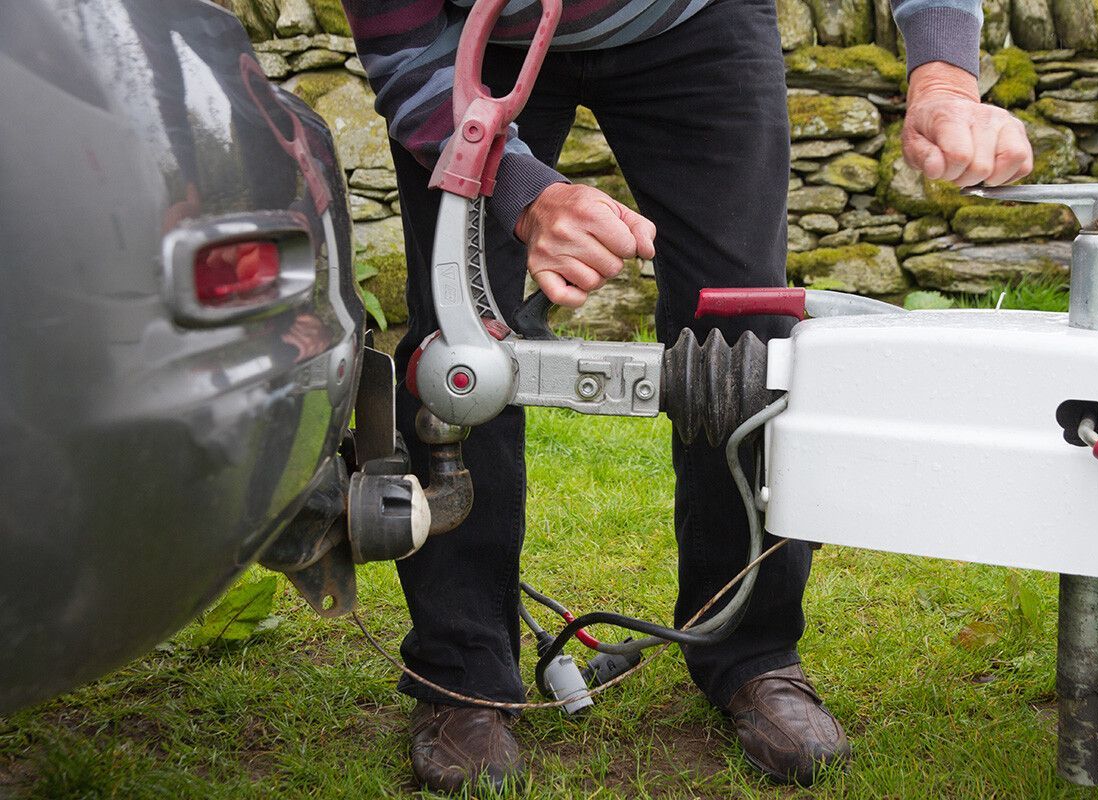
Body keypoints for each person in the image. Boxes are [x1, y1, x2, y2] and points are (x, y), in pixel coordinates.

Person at [339, 0, 1034, 791]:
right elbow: (401, 45)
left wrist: (943, 76)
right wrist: (523, 191)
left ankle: (750, 653)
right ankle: (461, 675)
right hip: (474, 39)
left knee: (749, 338)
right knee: (457, 352)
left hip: (695, 22)